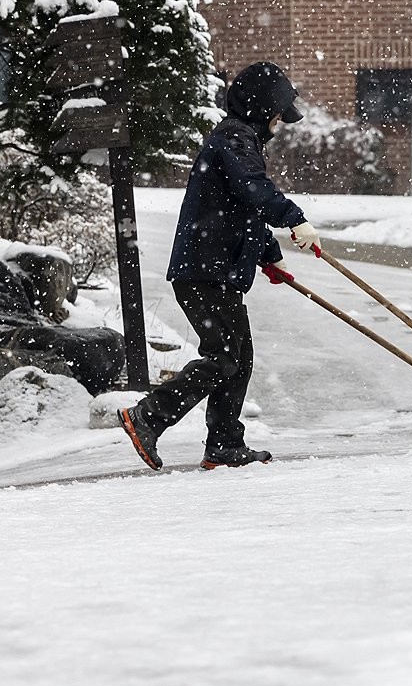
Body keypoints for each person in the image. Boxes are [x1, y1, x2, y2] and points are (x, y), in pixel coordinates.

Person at [119, 62, 322, 471]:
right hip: (204, 274)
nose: (280, 124)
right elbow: (254, 189)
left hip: (216, 273)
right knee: (225, 356)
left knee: (238, 356)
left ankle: (225, 444)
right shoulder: (234, 138)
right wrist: (295, 218)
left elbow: (243, 209)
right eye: (278, 115)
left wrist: (269, 257)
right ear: (262, 109)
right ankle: (148, 416)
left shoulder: (239, 139)